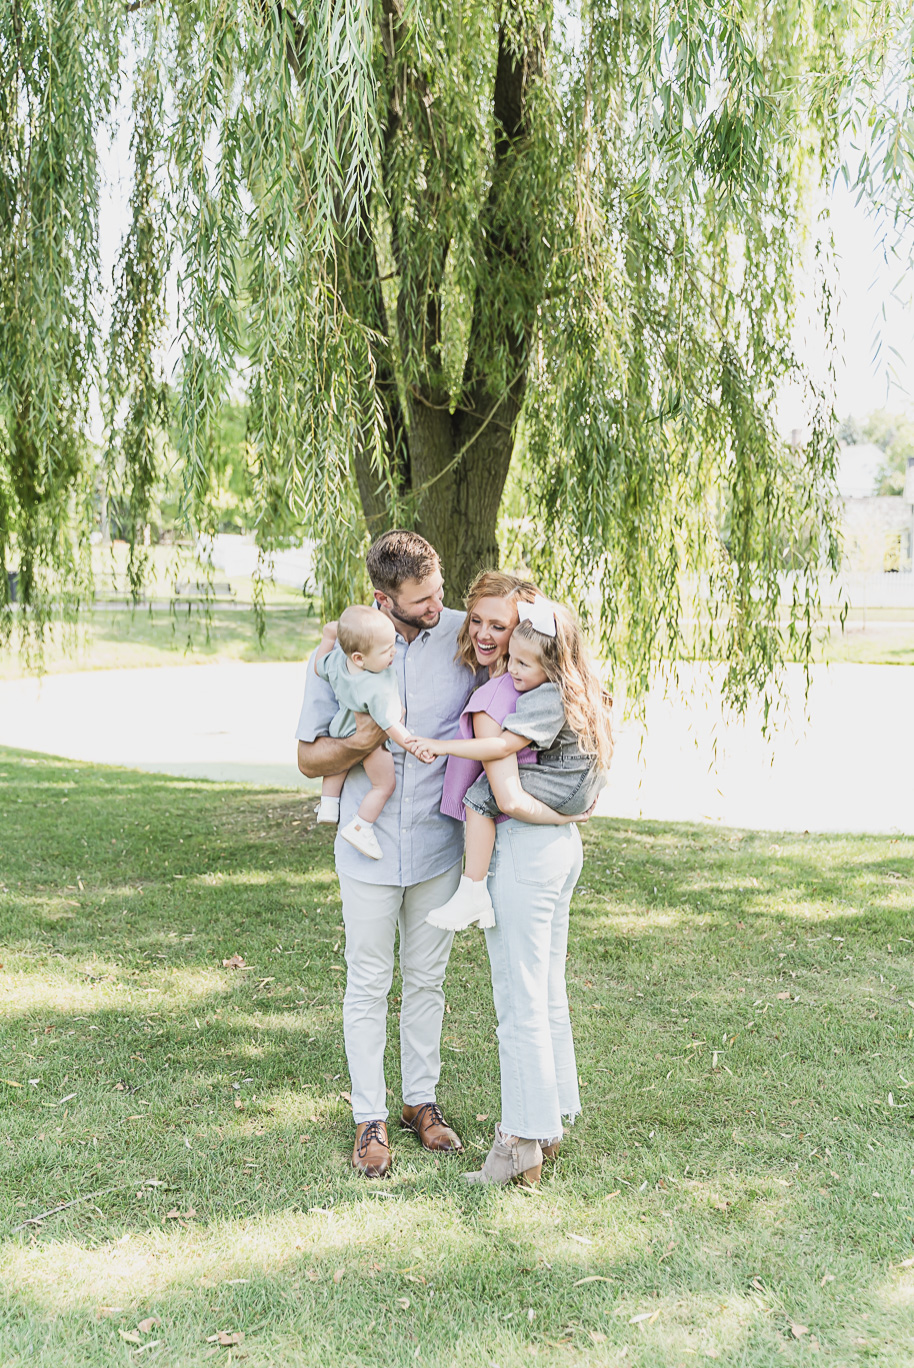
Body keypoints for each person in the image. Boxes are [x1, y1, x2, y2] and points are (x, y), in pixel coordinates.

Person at [418, 569, 611, 1186]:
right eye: (479, 622)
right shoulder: (562, 686)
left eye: (499, 626)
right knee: (546, 989)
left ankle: (519, 1141)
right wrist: (572, 816)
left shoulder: (499, 700)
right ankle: (548, 1125)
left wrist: (556, 812)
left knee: (518, 999)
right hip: (561, 849)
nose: (484, 633)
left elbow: (501, 793)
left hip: (529, 850)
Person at [295, 530, 478, 1178]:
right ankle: (369, 1117)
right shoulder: (339, 655)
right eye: (422, 599)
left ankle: (419, 1102)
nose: (437, 606)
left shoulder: (464, 635)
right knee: (369, 983)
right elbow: (308, 756)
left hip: (438, 846)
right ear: (383, 597)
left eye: (438, 593)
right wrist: (364, 741)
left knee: (428, 979)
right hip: (367, 850)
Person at [408, 594, 612, 930]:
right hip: (574, 785)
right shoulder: (569, 685)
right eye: (512, 660)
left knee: (479, 795)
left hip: (564, 788)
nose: (512, 669)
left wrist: (441, 746)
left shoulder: (546, 695)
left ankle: (472, 889)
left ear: (551, 666)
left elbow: (503, 751)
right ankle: (472, 892)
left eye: (523, 664)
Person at [313, 606, 422, 861]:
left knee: (338, 765)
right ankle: (362, 826)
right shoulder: (376, 685)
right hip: (371, 741)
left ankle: (328, 805)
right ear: (360, 658)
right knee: (384, 785)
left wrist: (328, 638)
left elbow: (319, 667)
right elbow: (389, 725)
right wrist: (412, 745)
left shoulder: (339, 662)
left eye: (392, 644)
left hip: (341, 727)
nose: (393, 652)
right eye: (386, 651)